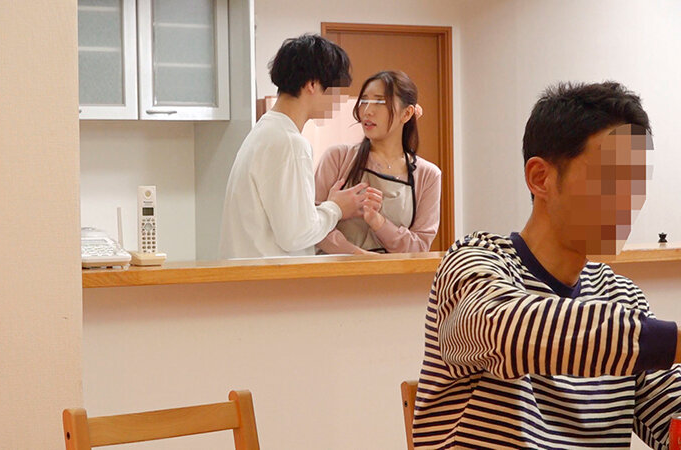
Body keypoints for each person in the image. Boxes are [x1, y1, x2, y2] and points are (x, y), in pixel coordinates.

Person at [412, 81, 681, 449]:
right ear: (540, 178)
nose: (629, 199)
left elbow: (670, 416)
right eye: (612, 178)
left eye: (637, 181)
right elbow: (505, 330)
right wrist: (670, 340)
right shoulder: (474, 262)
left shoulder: (623, 298)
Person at [219, 34, 382, 259]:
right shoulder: (290, 143)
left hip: (250, 274)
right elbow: (295, 235)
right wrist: (336, 208)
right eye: (336, 90)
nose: (339, 100)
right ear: (312, 85)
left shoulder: (266, 131)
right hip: (269, 277)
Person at [314, 71, 441, 254]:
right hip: (337, 271)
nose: (367, 111)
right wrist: (360, 257)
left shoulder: (427, 175)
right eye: (364, 101)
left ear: (407, 114)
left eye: (380, 102)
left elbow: (419, 248)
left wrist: (379, 223)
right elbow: (313, 226)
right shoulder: (338, 157)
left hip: (393, 273)